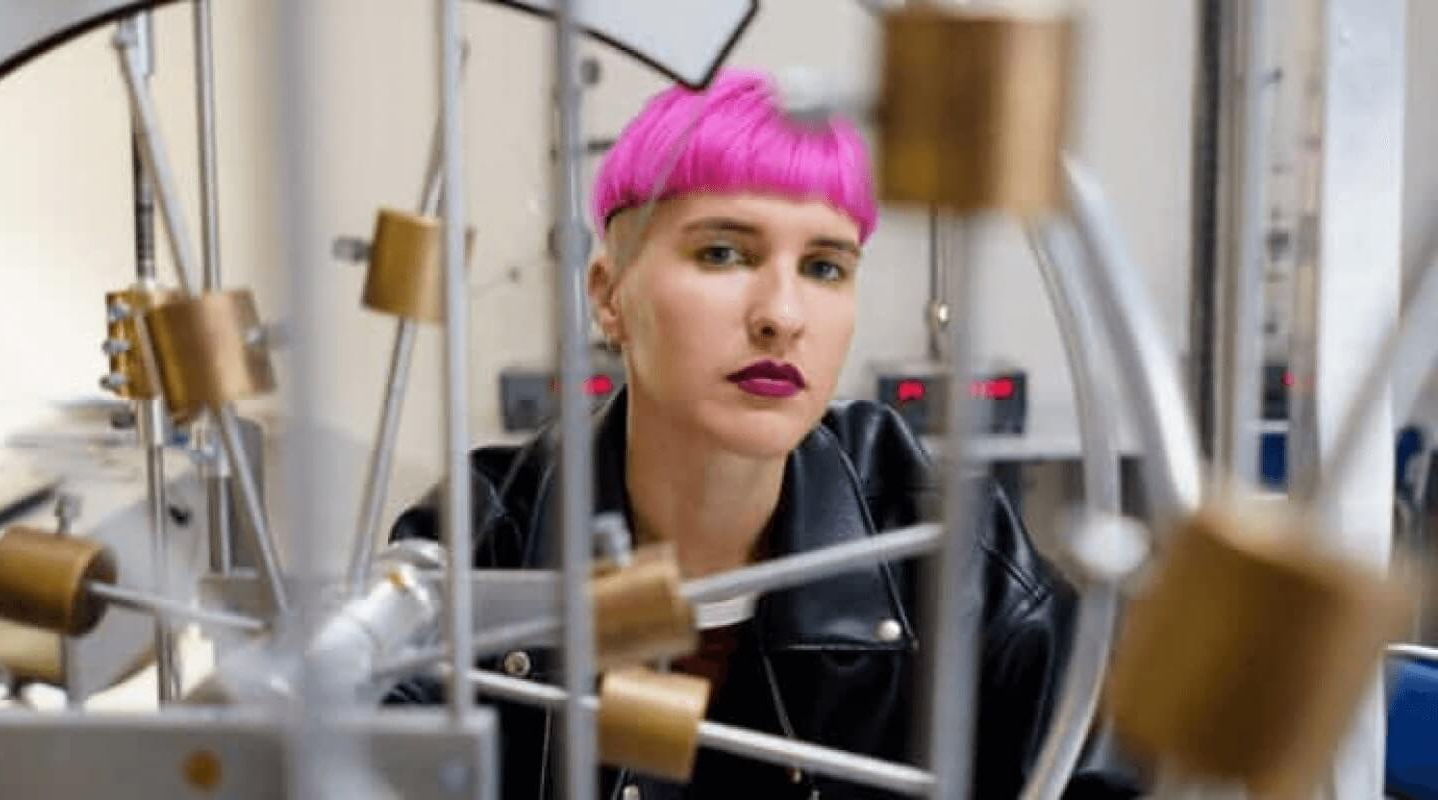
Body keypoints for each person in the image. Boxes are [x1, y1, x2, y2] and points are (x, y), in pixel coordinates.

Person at [392, 68, 1133, 799]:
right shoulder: (483, 542)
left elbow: (1102, 769)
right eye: (723, 253)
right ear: (608, 295)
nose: (782, 314)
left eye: (824, 267)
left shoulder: (944, 548)